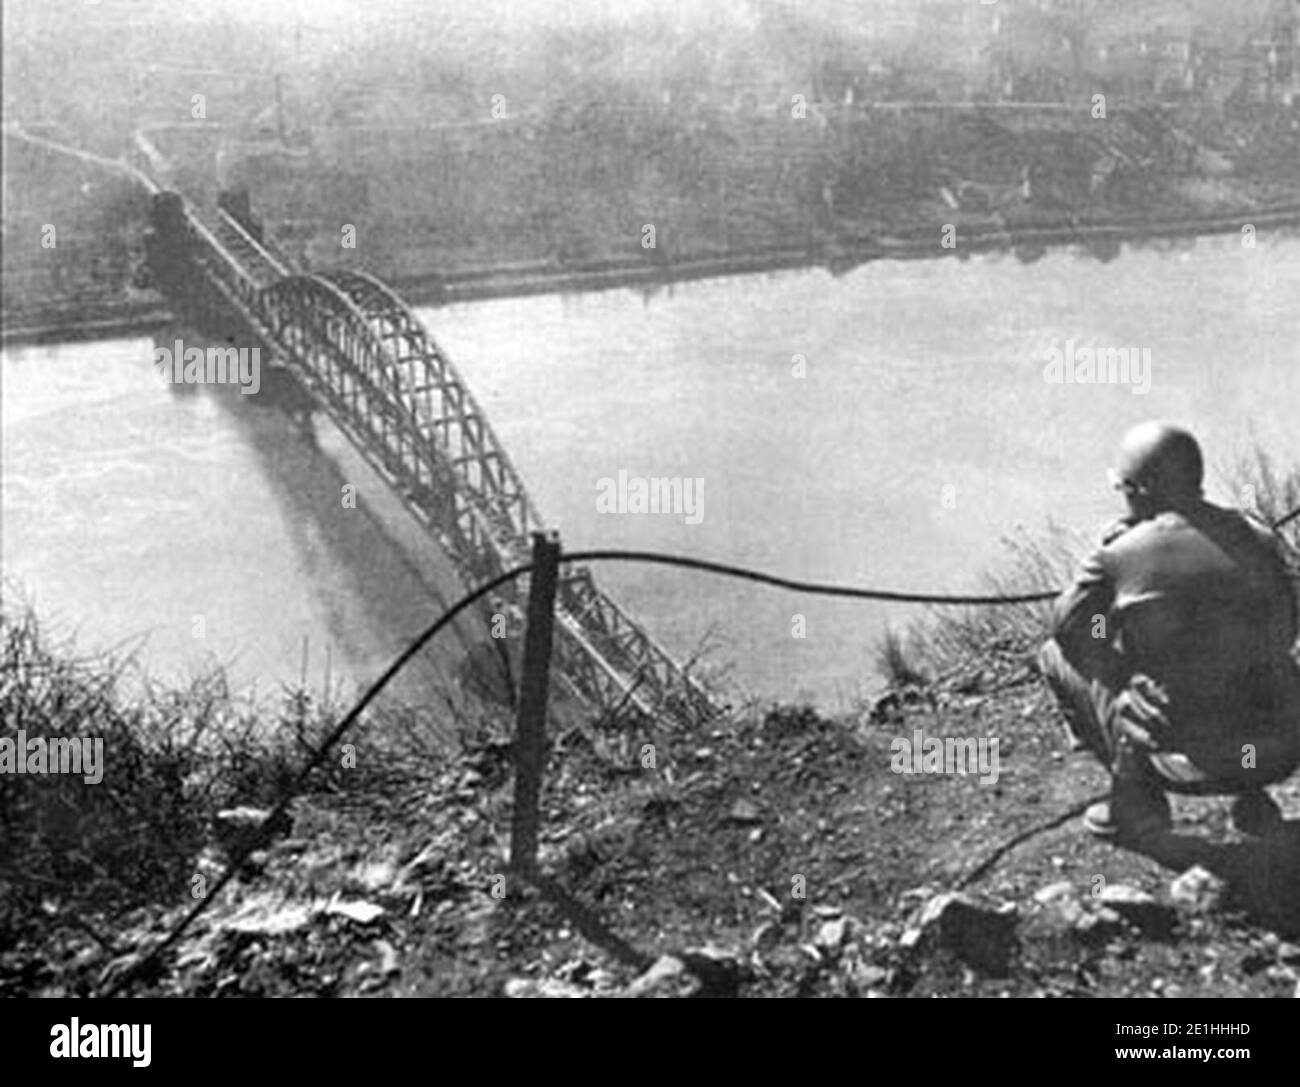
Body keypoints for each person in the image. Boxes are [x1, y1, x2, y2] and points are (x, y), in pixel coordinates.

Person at [1039, 421, 1300, 839]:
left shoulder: (1118, 555)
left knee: (1055, 655)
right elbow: (1285, 630)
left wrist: (1116, 637)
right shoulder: (1258, 537)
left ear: (1142, 491)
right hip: (1276, 752)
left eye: (1125, 489)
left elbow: (1068, 629)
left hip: (1179, 765)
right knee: (1253, 661)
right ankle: (1252, 798)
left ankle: (1135, 800)